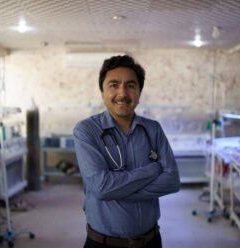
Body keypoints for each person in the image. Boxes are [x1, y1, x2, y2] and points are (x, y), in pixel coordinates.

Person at [73, 55, 180, 248]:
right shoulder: (86, 131)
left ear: (139, 91)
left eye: (130, 85)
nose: (122, 93)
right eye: (114, 85)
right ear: (102, 91)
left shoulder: (153, 129)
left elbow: (172, 181)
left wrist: (117, 191)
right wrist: (153, 170)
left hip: (151, 241)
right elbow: (101, 188)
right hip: (103, 243)